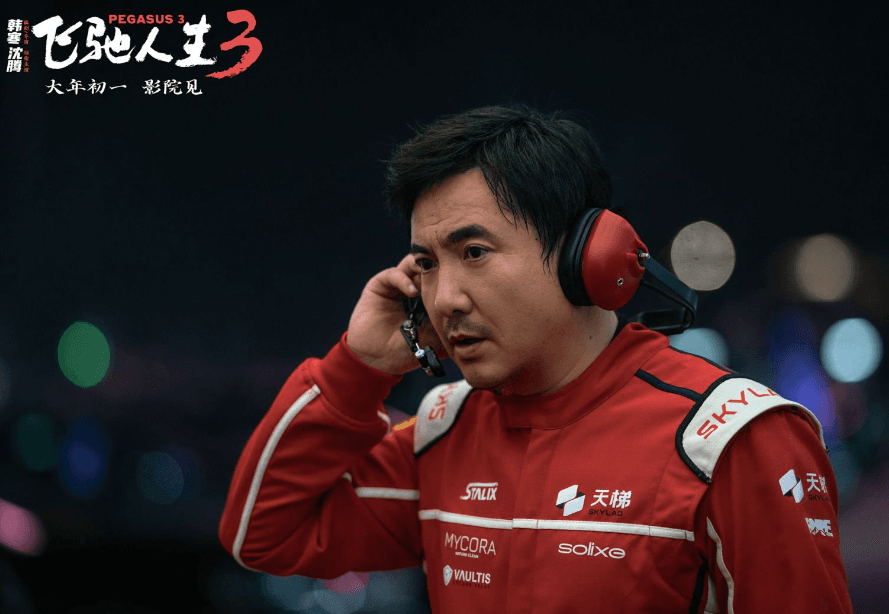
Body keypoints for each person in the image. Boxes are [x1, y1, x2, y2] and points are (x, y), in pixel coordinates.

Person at [219, 105, 853, 612]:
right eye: (426, 264)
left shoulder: (730, 440)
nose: (444, 299)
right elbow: (262, 534)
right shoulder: (445, 429)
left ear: (589, 255)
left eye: (473, 253)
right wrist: (357, 370)